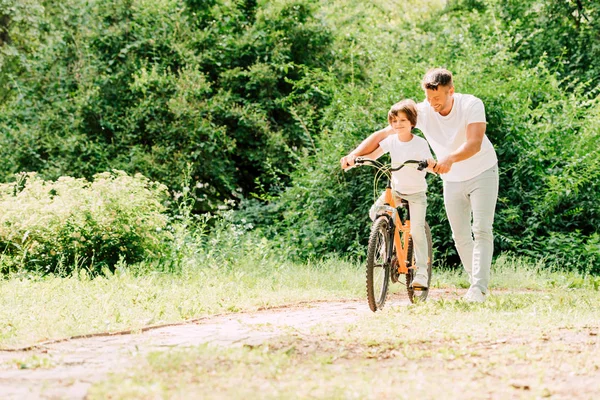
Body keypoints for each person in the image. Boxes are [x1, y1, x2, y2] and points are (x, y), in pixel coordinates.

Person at [341, 68, 499, 303]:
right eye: (428, 97)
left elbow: (475, 143)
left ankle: (478, 288)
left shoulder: (471, 105)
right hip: (452, 179)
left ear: (451, 91)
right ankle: (476, 281)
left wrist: (449, 159)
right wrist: (353, 155)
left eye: (437, 98)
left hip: (483, 171)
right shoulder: (422, 111)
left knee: (482, 230)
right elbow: (384, 134)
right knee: (460, 235)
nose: (432, 103)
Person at [345, 99, 434, 289]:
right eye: (394, 121)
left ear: (412, 122)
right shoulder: (391, 141)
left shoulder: (420, 143)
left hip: (416, 194)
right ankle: (389, 244)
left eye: (403, 120)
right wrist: (356, 159)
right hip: (396, 190)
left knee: (416, 230)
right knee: (375, 212)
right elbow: (374, 155)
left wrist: (430, 164)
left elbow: (430, 161)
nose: (398, 124)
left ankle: (421, 274)